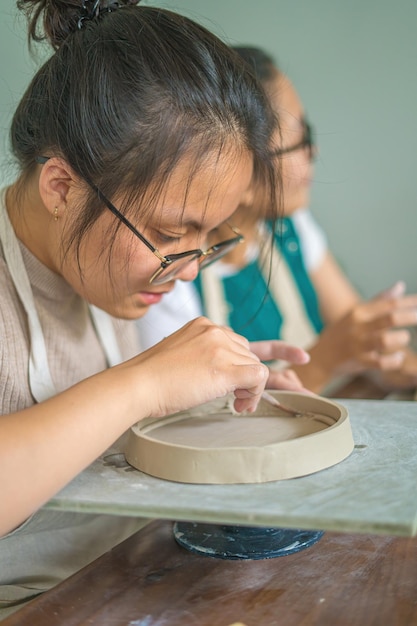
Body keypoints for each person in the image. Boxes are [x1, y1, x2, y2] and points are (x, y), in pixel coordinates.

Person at [0, 7, 311, 618]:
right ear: (61, 187)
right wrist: (144, 383)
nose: (189, 270)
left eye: (208, 237)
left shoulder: (115, 272)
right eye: (171, 234)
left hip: (126, 586)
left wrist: (205, 406)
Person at [137, 45, 417, 396]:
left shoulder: (291, 225)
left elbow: (364, 335)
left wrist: (390, 356)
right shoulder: (173, 277)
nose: (314, 152)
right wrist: (328, 358)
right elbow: (208, 424)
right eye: (302, 141)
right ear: (243, 175)